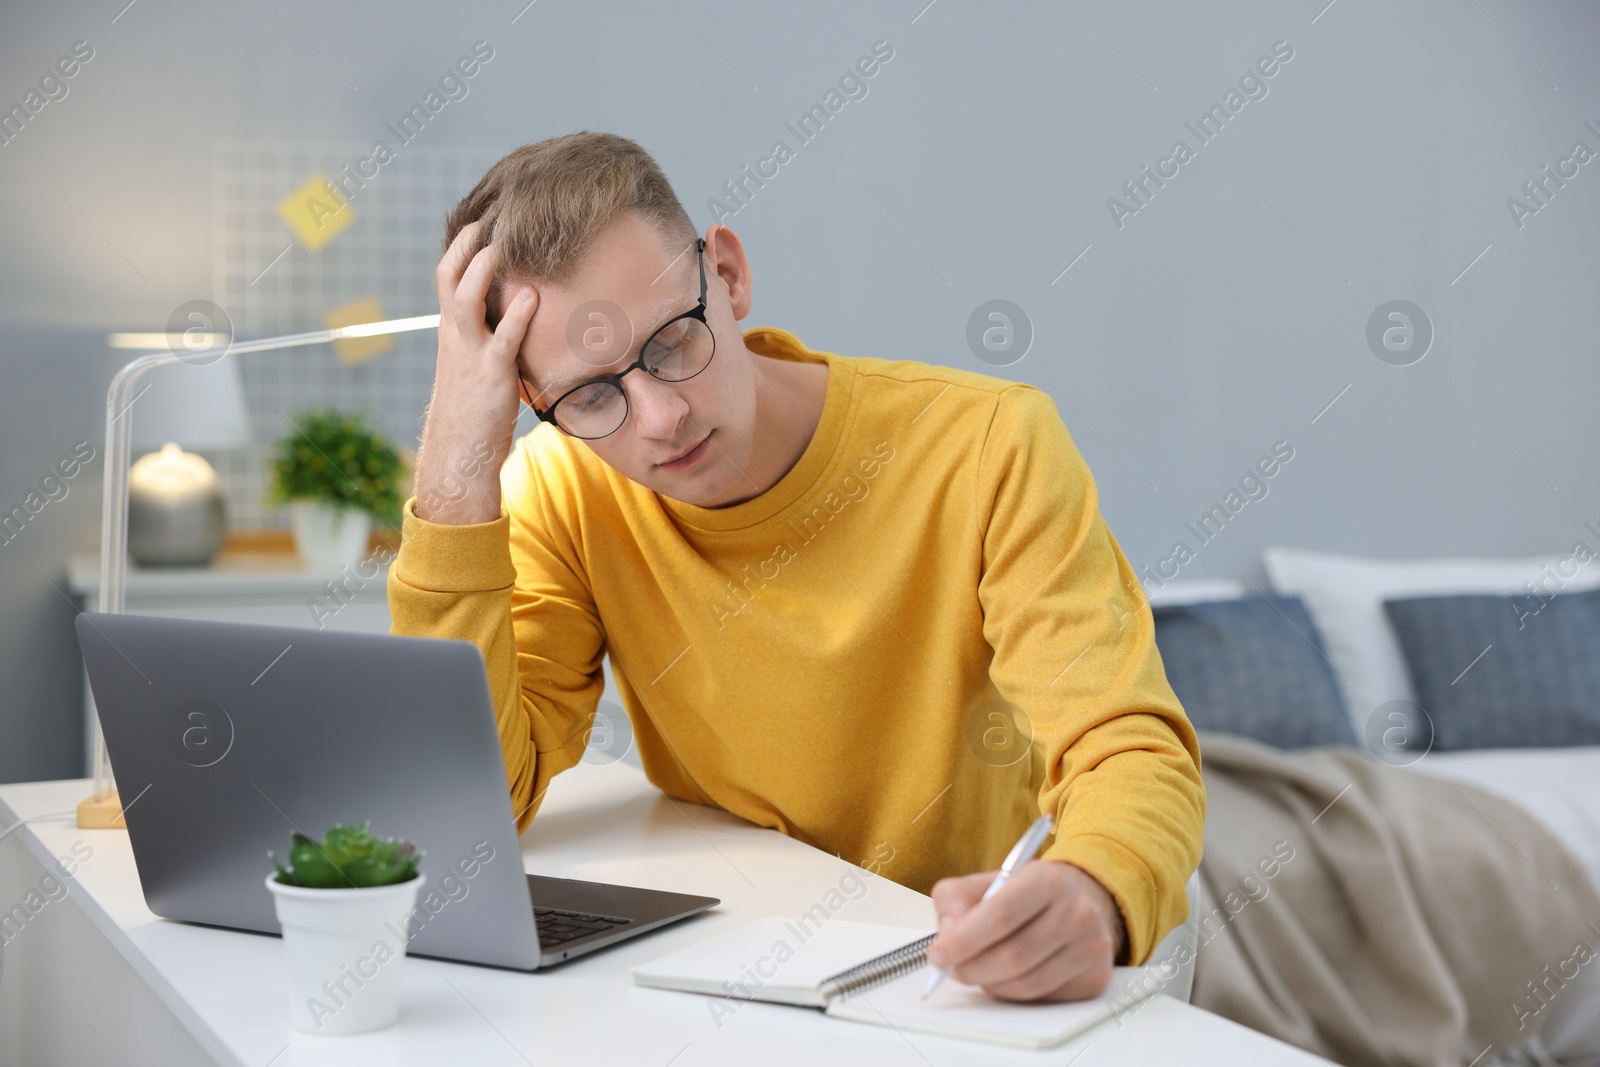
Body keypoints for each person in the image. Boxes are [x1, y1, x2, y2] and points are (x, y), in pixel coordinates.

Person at [387, 130, 1205, 1003]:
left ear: (729, 277)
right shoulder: (562, 487)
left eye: (669, 342)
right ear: (530, 400)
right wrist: (456, 461)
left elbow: (1126, 744)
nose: (659, 417)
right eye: (590, 395)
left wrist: (1094, 890)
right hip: (755, 961)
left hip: (978, 957)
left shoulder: (989, 444)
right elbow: (479, 803)